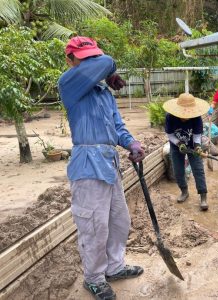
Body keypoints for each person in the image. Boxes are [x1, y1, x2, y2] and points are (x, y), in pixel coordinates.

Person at [58, 36, 145, 300]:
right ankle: (94, 278)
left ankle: (114, 267)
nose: (92, 63)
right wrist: (110, 70)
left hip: (109, 164)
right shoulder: (68, 84)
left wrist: (131, 143)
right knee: (94, 227)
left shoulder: (104, 94)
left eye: (93, 57)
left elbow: (117, 127)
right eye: (85, 59)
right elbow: (107, 61)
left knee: (119, 222)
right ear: (70, 60)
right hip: (87, 166)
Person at [163, 93, 210, 211]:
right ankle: (184, 191)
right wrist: (179, 143)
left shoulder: (196, 118)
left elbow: (197, 135)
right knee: (178, 170)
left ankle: (203, 196)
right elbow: (170, 134)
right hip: (176, 145)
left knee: (198, 169)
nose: (186, 116)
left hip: (193, 145)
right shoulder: (170, 117)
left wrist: (198, 147)